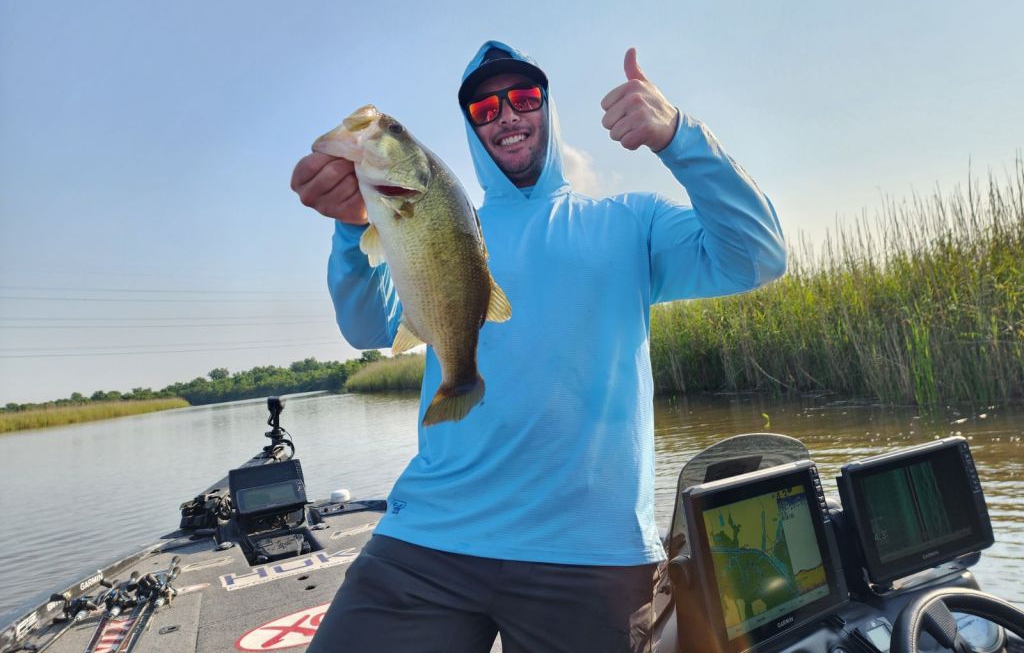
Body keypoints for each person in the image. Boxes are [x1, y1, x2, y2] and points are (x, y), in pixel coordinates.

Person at [290, 41, 787, 652]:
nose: (506, 115)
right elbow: (368, 327)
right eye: (485, 109)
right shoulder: (446, 226)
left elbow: (757, 256)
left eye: (523, 98)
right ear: (472, 130)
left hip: (593, 551)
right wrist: (350, 228)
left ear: (548, 109)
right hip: (429, 538)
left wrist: (679, 136)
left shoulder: (632, 221)